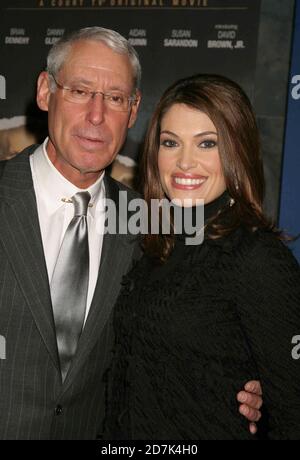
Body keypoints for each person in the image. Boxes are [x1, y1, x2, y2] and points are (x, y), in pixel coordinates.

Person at [0, 28, 261, 439]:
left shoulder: (155, 224)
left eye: (116, 98)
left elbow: (197, 329)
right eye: (81, 91)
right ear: (46, 91)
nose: (97, 115)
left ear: (135, 108)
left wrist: (252, 382)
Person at [104, 74, 300, 440]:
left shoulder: (256, 259)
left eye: (207, 143)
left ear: (237, 150)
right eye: (170, 142)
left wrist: (266, 411)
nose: (185, 162)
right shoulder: (155, 245)